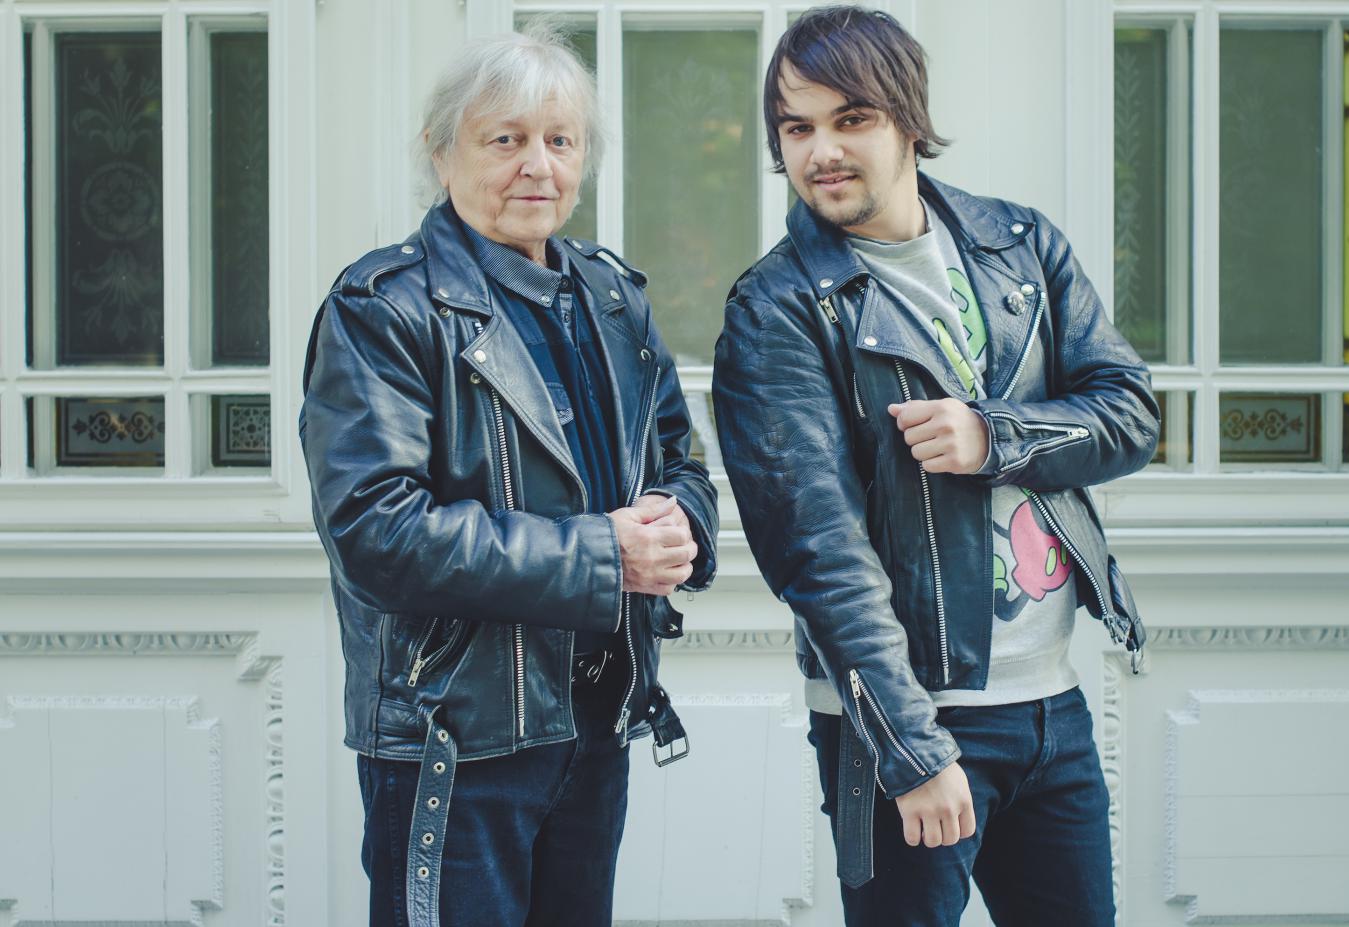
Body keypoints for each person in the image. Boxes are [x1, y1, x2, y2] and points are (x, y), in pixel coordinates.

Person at [712, 7, 1157, 925]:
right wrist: (911, 748)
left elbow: (1130, 414)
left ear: (908, 119)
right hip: (906, 721)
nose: (822, 152)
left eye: (851, 119)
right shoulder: (777, 308)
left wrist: (994, 438)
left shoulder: (1018, 246)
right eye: (797, 128)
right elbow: (817, 553)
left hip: (1052, 704)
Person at [300, 22, 717, 927]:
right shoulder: (382, 310)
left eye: (560, 140)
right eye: (506, 139)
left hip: (596, 725)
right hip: (456, 739)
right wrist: (605, 553)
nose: (539, 165)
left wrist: (680, 519)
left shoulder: (612, 296)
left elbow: (679, 458)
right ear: (441, 153)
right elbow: (377, 533)